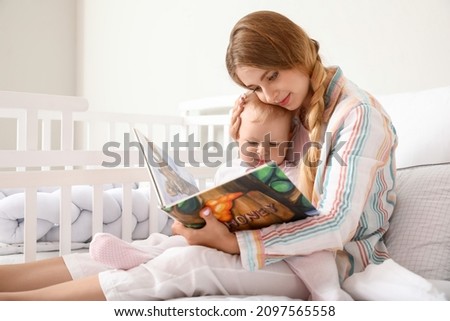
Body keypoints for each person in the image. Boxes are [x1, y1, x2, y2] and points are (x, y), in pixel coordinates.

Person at [0, 10, 443, 301]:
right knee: (154, 245)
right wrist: (238, 158)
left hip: (333, 261)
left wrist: (230, 242)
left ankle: (18, 307)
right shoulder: (291, 108)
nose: (270, 92)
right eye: (254, 86)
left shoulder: (357, 116)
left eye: (272, 75)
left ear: (300, 52)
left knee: (186, 262)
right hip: (277, 245)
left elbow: (336, 223)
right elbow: (276, 189)